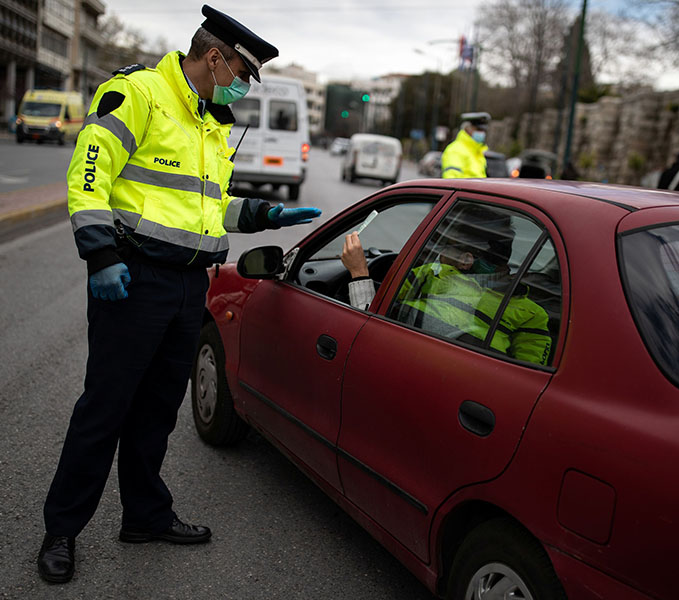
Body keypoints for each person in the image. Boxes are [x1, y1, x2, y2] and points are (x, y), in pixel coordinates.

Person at [37, 5, 322, 585]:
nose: (244, 86)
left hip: (190, 284)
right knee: (105, 409)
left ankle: (145, 516)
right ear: (214, 58)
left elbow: (206, 206)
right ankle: (61, 530)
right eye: (243, 72)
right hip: (132, 280)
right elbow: (88, 174)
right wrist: (100, 255)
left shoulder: (210, 121)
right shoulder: (138, 93)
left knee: (158, 410)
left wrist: (264, 214)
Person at [341, 206, 551, 365]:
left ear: (465, 260)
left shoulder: (429, 276)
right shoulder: (533, 315)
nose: (439, 254)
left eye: (446, 247)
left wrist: (359, 272)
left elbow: (367, 330)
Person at [441, 112, 491, 178]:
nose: (482, 133)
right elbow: (451, 179)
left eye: (483, 130)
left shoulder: (478, 152)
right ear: (467, 129)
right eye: (478, 129)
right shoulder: (455, 150)